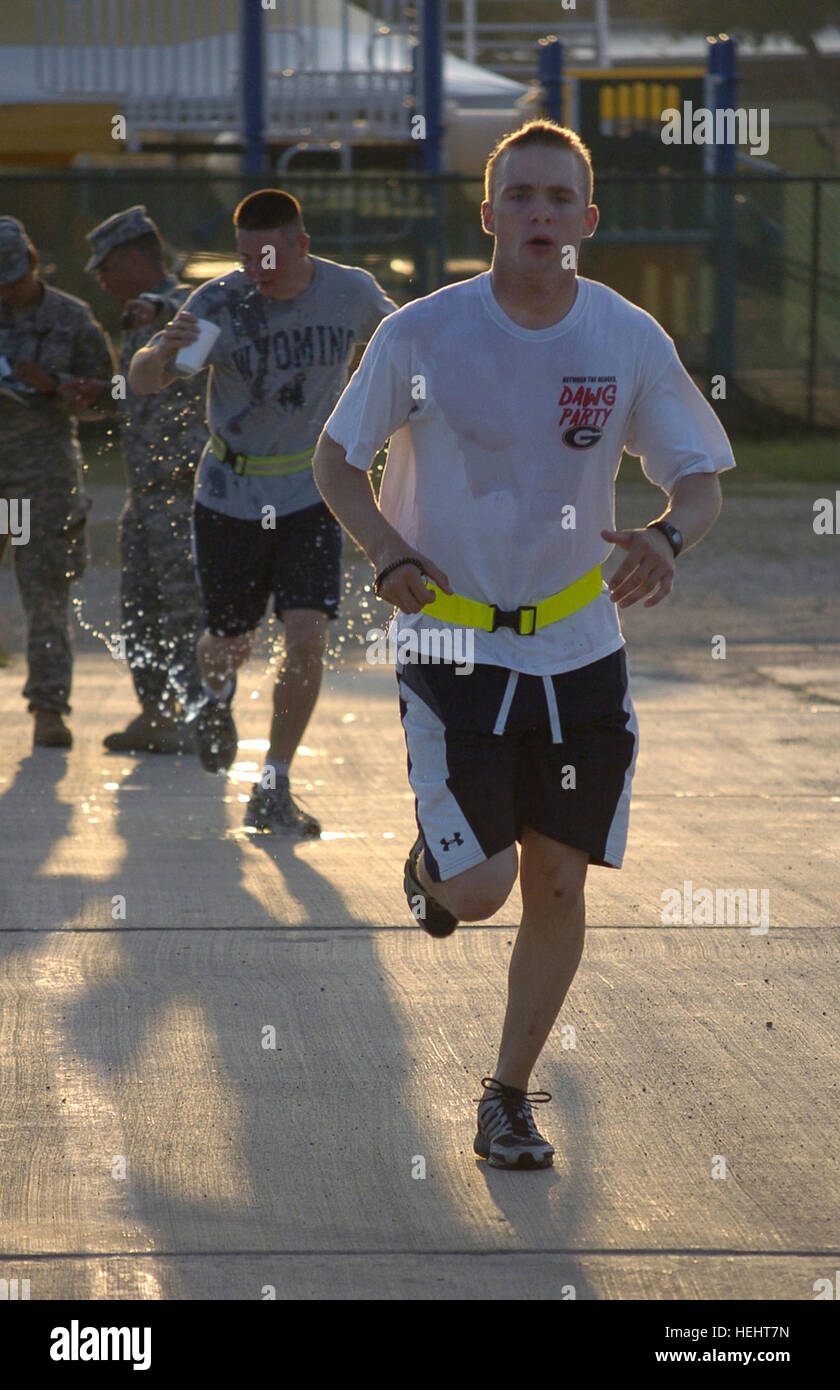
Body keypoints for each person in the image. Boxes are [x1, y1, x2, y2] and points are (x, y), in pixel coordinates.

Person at [313, 121, 735, 1170]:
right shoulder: (421, 333)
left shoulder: (625, 337)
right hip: (452, 646)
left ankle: (505, 1094)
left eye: (560, 199)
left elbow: (700, 477)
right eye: (521, 196)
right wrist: (385, 548)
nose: (540, 214)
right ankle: (437, 864)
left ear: (587, 221)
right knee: (481, 890)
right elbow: (334, 459)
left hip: (580, 651)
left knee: (558, 884)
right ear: (489, 212)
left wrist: (666, 534)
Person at [128, 189, 396, 832]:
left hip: (310, 492)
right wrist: (163, 351)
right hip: (229, 496)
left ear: (303, 244)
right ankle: (216, 696)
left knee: (307, 637)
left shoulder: (350, 293)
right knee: (230, 640)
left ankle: (274, 779)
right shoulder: (218, 302)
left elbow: (408, 346)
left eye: (270, 256)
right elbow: (144, 379)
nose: (258, 270)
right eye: (247, 257)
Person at [84, 205, 207, 752]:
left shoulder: (185, 308)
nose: (101, 279)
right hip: (145, 493)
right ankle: (157, 713)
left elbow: (198, 319)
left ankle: (201, 717)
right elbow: (129, 400)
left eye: (106, 266)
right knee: (138, 608)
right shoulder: (136, 321)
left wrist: (160, 306)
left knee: (187, 611)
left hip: (184, 492)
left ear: (135, 259)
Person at [0, 215, 114, 748]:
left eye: (13, 278)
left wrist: (55, 386)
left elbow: (109, 397)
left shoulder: (71, 318)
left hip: (38, 480)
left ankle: (48, 706)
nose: (7, 291)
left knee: (44, 590)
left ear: (33, 263)